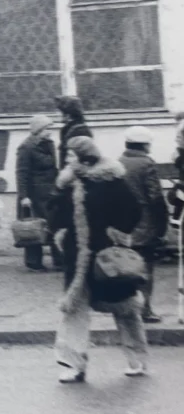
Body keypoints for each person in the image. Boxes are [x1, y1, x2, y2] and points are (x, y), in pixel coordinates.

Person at [49, 136, 145, 383]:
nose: (67, 158)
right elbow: (55, 210)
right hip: (76, 257)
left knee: (124, 307)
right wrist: (59, 231)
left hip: (108, 257)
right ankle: (73, 364)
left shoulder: (111, 180)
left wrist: (118, 232)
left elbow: (134, 210)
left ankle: (137, 358)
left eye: (70, 154)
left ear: (84, 156)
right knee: (74, 309)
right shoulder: (67, 182)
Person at [118, 126, 169, 323]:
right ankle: (145, 310)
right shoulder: (146, 164)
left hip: (124, 225)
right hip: (145, 224)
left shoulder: (119, 162)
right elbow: (155, 197)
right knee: (146, 267)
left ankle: (127, 308)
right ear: (145, 145)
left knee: (126, 267)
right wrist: (162, 224)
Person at [15, 114, 60, 272]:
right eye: (47, 128)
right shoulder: (26, 147)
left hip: (50, 192)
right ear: (39, 129)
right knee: (34, 227)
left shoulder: (49, 144)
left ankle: (59, 260)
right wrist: (24, 196)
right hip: (34, 195)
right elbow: (22, 173)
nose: (50, 131)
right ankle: (33, 262)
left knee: (54, 225)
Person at [54, 95, 92, 169]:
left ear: (68, 115)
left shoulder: (79, 130)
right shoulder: (69, 129)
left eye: (62, 113)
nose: (61, 117)